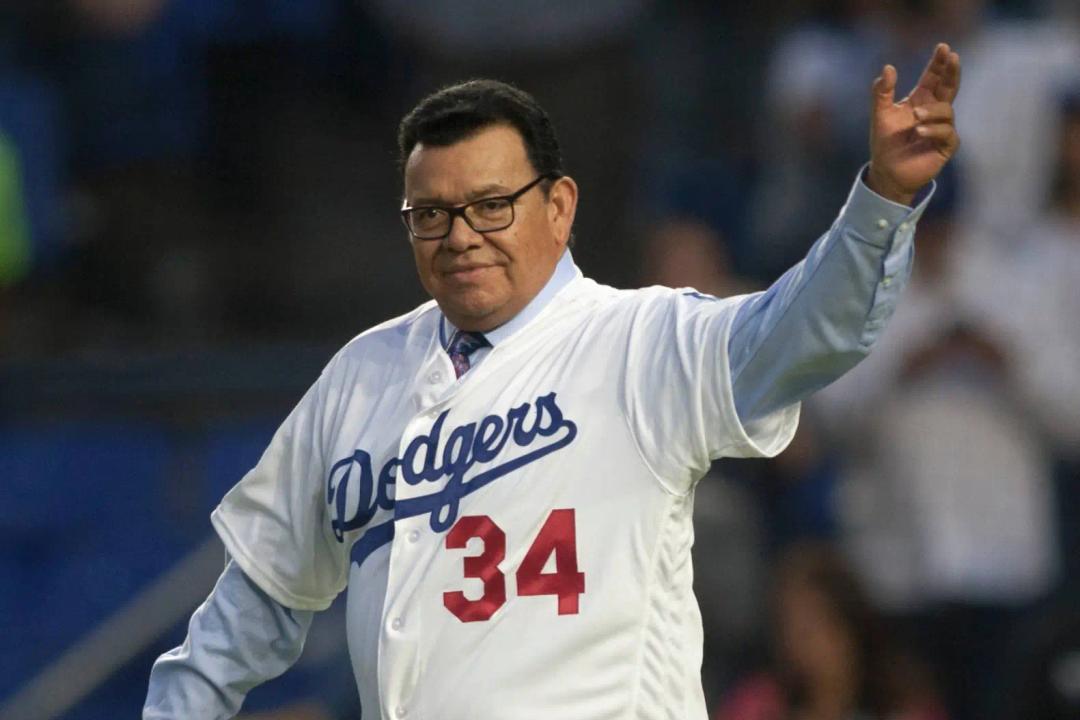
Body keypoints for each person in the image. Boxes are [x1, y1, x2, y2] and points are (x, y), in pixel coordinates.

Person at [143, 43, 961, 719]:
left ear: (561, 207)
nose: (460, 235)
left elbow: (807, 330)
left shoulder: (641, 342)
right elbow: (255, 600)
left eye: (491, 205)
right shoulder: (362, 375)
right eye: (431, 214)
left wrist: (883, 201)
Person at [715, 543, 948, 720]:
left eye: (810, 628)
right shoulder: (756, 706)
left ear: (850, 626)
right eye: (787, 627)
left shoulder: (906, 707)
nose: (796, 643)